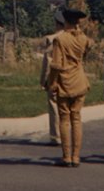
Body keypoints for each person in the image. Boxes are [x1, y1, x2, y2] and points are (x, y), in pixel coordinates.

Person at [47, 7, 95, 167]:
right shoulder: (83, 39)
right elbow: (89, 46)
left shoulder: (60, 40)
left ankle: (66, 157)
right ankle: (76, 157)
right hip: (79, 80)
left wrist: (51, 83)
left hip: (64, 82)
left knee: (64, 119)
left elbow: (56, 65)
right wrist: (79, 30)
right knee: (77, 119)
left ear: (65, 21)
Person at [39, 9, 66, 145]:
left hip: (55, 77)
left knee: (54, 105)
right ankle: (67, 134)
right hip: (70, 77)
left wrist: (44, 80)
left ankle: (56, 136)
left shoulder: (53, 40)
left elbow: (48, 62)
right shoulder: (72, 38)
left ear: (57, 23)